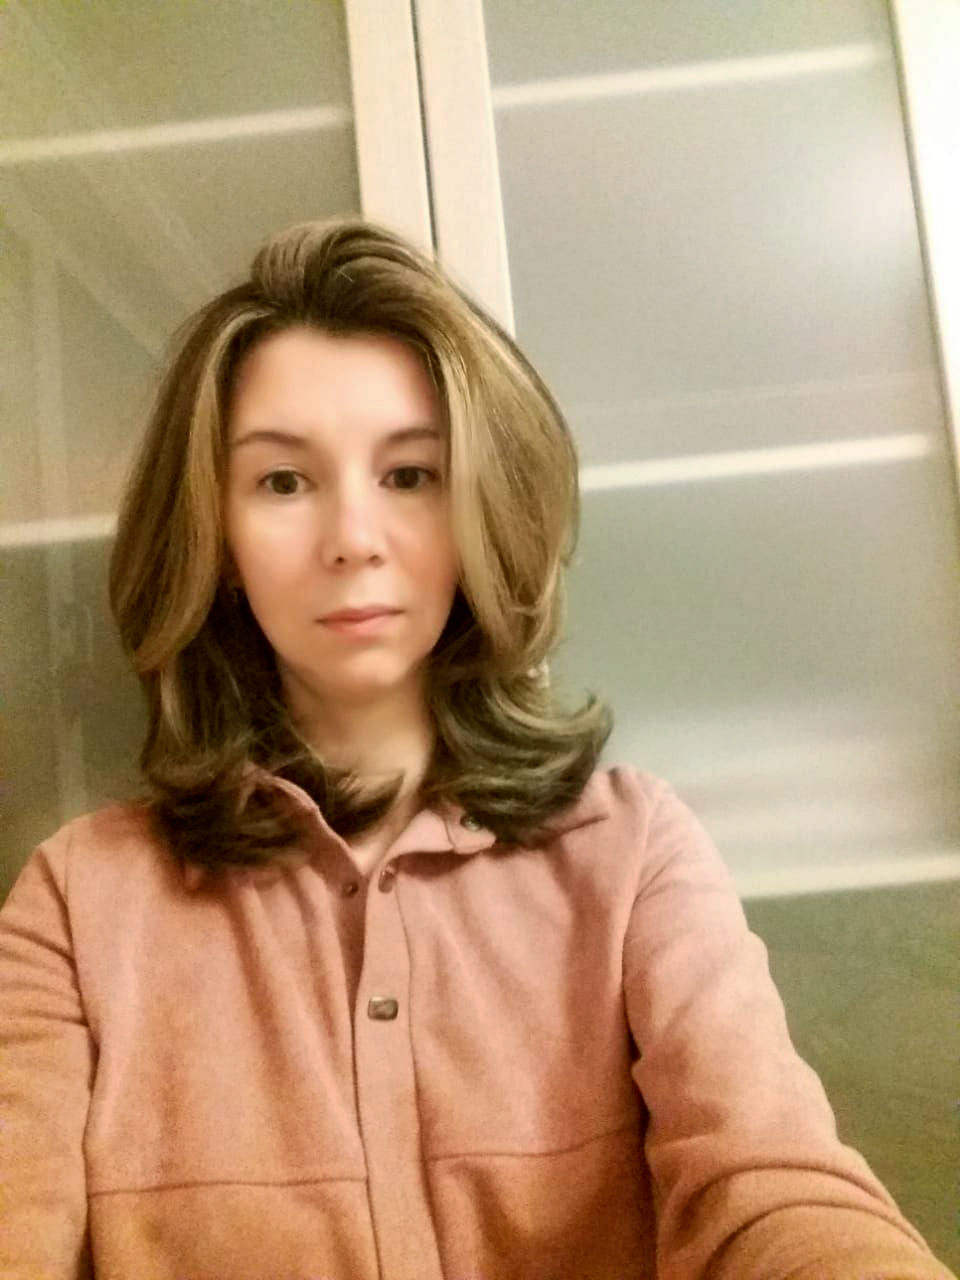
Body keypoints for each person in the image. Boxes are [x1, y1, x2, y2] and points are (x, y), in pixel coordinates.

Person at [0, 218, 953, 1280]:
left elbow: (771, 1185)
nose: (353, 538)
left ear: (478, 506)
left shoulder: (632, 849)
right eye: (283, 482)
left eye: (410, 474)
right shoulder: (78, 902)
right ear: (215, 537)